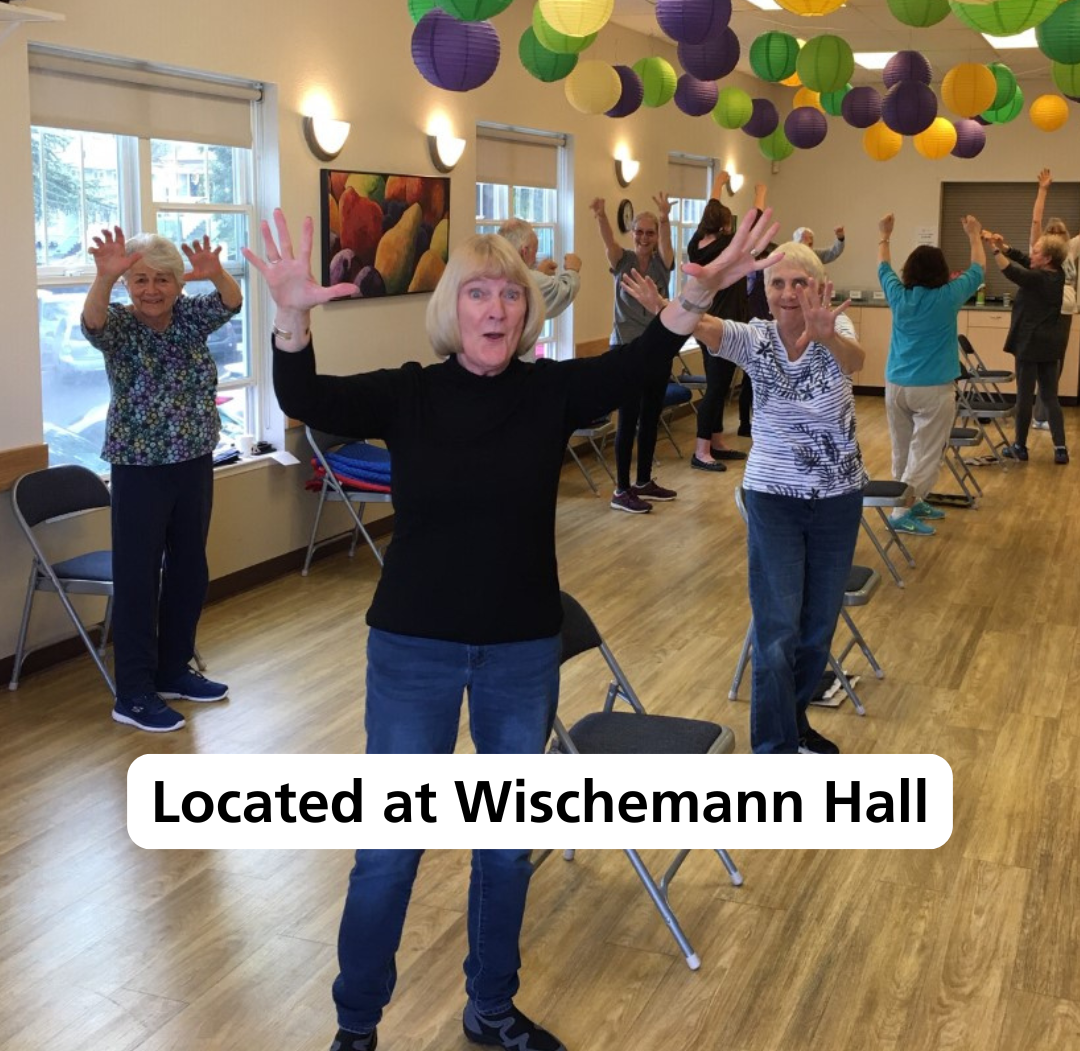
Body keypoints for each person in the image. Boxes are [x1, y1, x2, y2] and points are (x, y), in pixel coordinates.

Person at [244, 206, 780, 1051]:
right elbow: (305, 396)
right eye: (477, 293)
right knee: (389, 849)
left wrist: (695, 294)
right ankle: (356, 1025)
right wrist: (289, 315)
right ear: (451, 308)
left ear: (528, 312)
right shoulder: (411, 393)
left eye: (511, 295)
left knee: (504, 846)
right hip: (414, 649)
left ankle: (490, 1008)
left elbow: (642, 362)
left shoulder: (548, 392)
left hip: (520, 651)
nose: (495, 308)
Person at [624, 241, 864, 755]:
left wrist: (828, 337)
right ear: (764, 291)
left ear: (819, 287)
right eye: (778, 283)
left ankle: (794, 725)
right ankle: (774, 748)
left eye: (800, 282)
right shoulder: (755, 338)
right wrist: (662, 306)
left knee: (818, 628)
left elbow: (855, 362)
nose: (788, 293)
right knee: (777, 630)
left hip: (837, 498)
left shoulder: (836, 327)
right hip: (773, 499)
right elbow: (704, 325)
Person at [82, 228, 241, 732]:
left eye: (162, 279)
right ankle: (133, 693)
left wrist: (217, 272)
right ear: (128, 285)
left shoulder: (190, 317)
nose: (151, 289)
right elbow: (92, 324)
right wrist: (104, 278)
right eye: (141, 280)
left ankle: (173, 669)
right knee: (137, 578)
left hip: (193, 459)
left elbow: (232, 302)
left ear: (178, 283)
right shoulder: (121, 326)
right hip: (138, 467)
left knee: (190, 570)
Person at [876, 212, 986, 536]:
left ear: (909, 271)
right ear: (941, 272)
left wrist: (885, 235)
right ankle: (902, 510)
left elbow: (883, 266)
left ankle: (913, 500)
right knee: (925, 452)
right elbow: (978, 269)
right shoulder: (948, 296)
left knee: (903, 448)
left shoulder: (898, 295)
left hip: (896, 386)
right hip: (933, 389)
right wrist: (974, 235)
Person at [590, 192, 676, 513]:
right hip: (626, 348)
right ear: (632, 233)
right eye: (639, 232)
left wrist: (664, 218)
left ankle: (643, 481)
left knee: (651, 417)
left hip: (657, 346)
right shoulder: (622, 260)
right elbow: (607, 241)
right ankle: (621, 489)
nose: (644, 237)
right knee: (628, 419)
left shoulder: (662, 263)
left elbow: (667, 244)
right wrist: (601, 215)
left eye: (649, 232)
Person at [683, 171, 764, 471]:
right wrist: (760, 193)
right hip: (723, 325)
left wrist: (717, 184)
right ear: (727, 226)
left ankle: (715, 441)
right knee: (717, 388)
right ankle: (701, 450)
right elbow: (753, 223)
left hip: (707, 322)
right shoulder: (726, 246)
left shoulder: (696, 244)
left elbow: (712, 210)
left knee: (719, 384)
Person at [984, 225, 1069, 463]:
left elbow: (1012, 272)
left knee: (1024, 396)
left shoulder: (1037, 279)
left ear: (1047, 258)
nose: (1032, 254)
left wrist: (994, 250)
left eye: (1037, 251)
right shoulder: (1057, 274)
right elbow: (1024, 260)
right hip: (1050, 344)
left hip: (1029, 344)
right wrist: (1003, 246)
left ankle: (1020, 447)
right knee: (1050, 397)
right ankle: (1060, 448)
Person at [1029, 169, 1078, 429]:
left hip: (1066, 312)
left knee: (1057, 364)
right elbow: (1036, 221)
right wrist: (1043, 190)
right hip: (1047, 311)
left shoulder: (1070, 249)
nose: (1057, 235)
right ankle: (1041, 415)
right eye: (1053, 232)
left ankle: (1042, 414)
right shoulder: (1041, 249)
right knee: (1046, 364)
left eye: (1061, 232)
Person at [497, 217, 581, 321]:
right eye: (535, 251)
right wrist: (572, 270)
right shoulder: (528, 279)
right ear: (524, 251)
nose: (535, 258)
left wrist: (540, 273)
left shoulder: (494, 274)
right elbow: (565, 290)